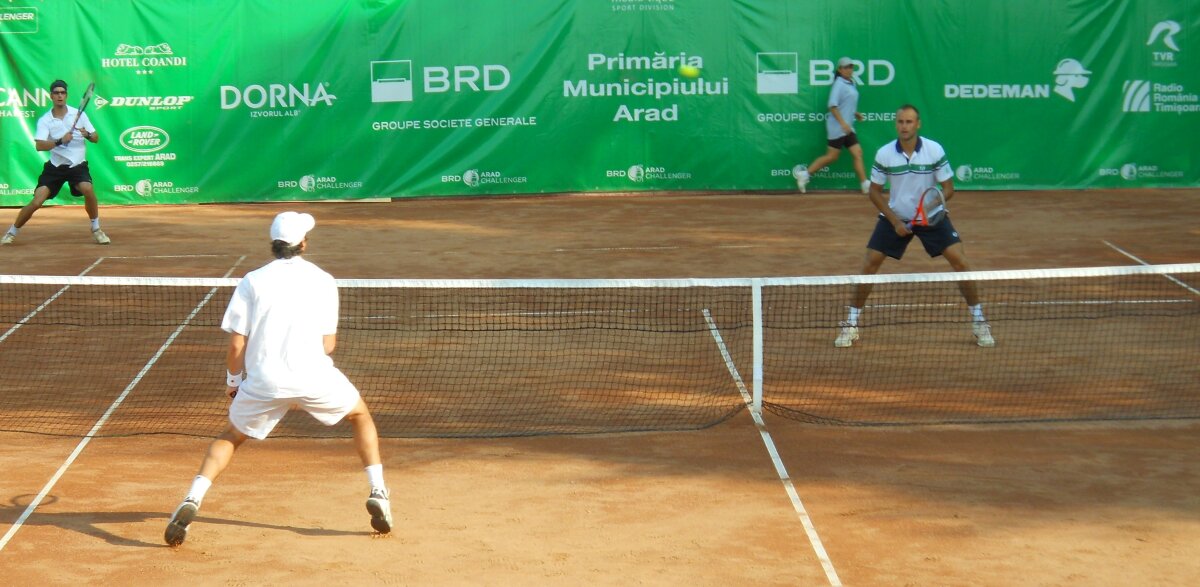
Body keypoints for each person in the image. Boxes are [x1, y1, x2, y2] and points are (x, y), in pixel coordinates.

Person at [165, 211, 392, 546]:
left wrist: (233, 382)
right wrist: (300, 384)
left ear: (273, 243)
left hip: (264, 381)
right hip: (314, 376)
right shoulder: (324, 280)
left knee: (231, 436)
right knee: (360, 415)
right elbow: (328, 345)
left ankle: (192, 498)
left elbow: (236, 345)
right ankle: (379, 491)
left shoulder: (252, 281)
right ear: (303, 244)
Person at [833, 104, 995, 348]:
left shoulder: (934, 150)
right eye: (900, 122)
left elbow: (948, 188)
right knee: (869, 264)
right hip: (896, 215)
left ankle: (979, 321)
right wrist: (895, 221)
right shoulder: (885, 153)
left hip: (931, 216)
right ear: (896, 124)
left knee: (960, 261)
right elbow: (875, 192)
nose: (904, 126)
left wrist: (927, 210)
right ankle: (851, 323)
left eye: (909, 122)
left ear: (917, 124)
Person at [1, 80, 110, 246]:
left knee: (88, 189)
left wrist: (87, 134)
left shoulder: (79, 115)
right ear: (51, 96)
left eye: (62, 92)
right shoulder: (45, 120)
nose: (60, 95)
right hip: (55, 168)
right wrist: (60, 141)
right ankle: (12, 232)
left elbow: (95, 138)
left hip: (77, 166)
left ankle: (96, 229)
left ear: (66, 95)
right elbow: (39, 146)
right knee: (37, 201)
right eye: (56, 93)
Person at [794, 57, 870, 196]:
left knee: (857, 153)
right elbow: (832, 106)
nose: (849, 69)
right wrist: (843, 123)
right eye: (846, 67)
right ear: (840, 70)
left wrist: (855, 113)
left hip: (848, 127)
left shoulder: (851, 83)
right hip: (837, 128)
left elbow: (846, 104)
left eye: (850, 67)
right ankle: (805, 175)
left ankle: (865, 184)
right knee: (832, 157)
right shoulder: (838, 84)